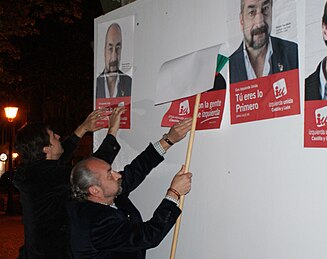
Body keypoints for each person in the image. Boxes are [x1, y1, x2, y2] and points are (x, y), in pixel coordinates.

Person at [67, 118, 193, 259]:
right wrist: (173, 193)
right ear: (94, 190)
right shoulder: (95, 223)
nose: (117, 175)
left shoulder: (107, 192)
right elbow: (148, 236)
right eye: (109, 174)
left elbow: (137, 169)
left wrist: (169, 140)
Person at [13, 108, 122, 258]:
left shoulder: (32, 172)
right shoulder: (49, 177)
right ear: (46, 149)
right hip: (51, 254)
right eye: (54, 137)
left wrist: (83, 128)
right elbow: (92, 170)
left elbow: (59, 157)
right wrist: (112, 131)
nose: (58, 136)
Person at [229, 0, 298, 84]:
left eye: (265, 8)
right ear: (241, 21)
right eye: (252, 12)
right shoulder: (229, 68)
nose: (260, 22)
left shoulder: (293, 53)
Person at [96, 23, 132, 98]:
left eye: (118, 48)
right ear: (104, 50)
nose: (114, 57)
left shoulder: (129, 83)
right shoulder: (96, 84)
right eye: (110, 49)